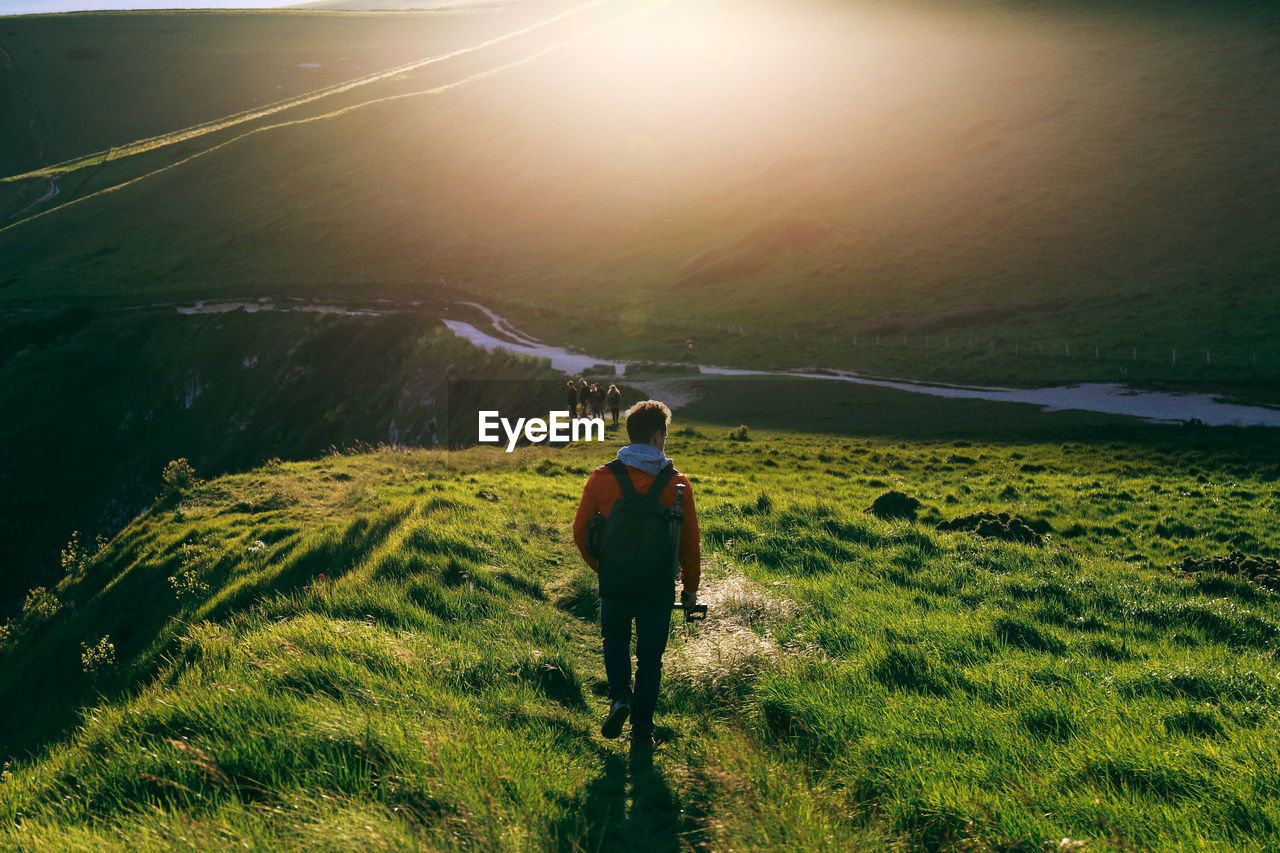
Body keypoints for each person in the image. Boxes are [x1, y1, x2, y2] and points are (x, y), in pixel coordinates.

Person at [572, 400, 700, 750]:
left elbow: (580, 531)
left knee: (614, 641)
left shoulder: (602, 477)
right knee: (650, 656)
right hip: (658, 584)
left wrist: (604, 568)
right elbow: (689, 544)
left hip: (615, 580)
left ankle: (619, 699)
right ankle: (643, 729)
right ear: (658, 436)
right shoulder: (678, 484)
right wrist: (689, 590)